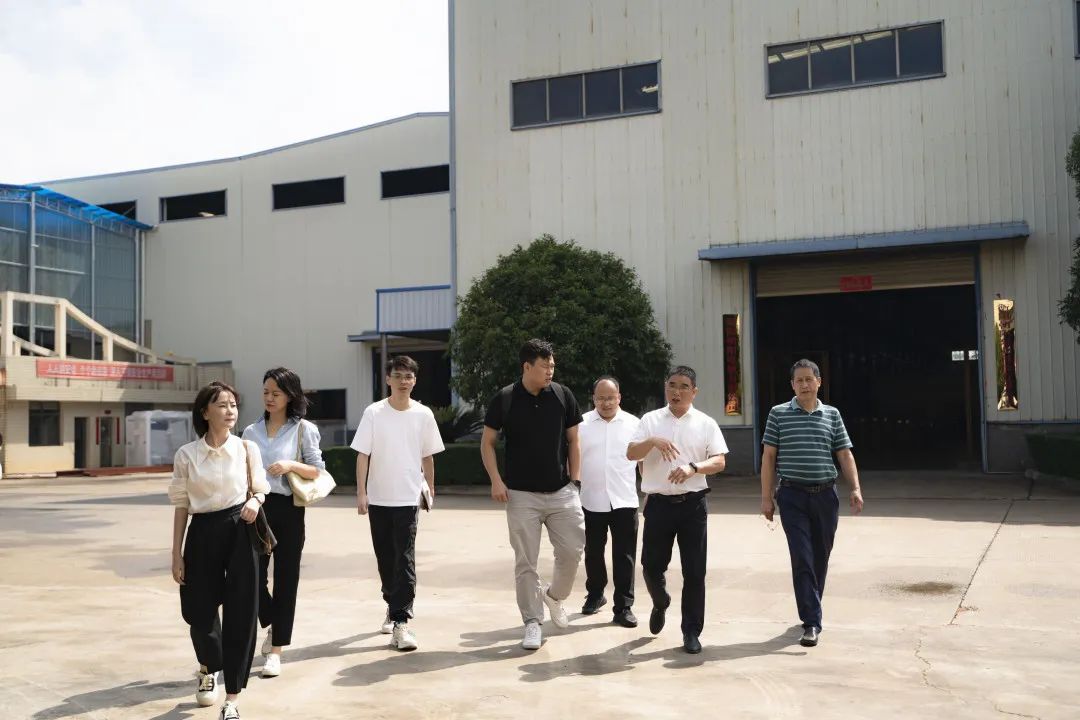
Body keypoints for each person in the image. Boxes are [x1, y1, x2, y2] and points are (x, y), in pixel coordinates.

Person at [169, 382, 268, 720]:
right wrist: (176, 553)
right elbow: (181, 505)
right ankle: (208, 667)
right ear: (205, 411)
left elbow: (260, 488)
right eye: (222, 405)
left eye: (233, 405)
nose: (230, 411)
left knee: (242, 610)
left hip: (240, 527)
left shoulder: (246, 449)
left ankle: (233, 696)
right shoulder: (187, 455)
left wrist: (256, 501)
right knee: (199, 608)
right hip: (202, 531)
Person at [481, 338, 585, 651]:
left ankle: (554, 597)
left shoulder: (563, 395)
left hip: (562, 492)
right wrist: (496, 481)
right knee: (526, 562)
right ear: (527, 367)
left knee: (572, 551)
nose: (550, 371)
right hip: (521, 495)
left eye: (552, 365)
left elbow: (574, 441)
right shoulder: (505, 398)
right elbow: (487, 443)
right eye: (544, 366)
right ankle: (532, 622)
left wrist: (575, 481)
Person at [760, 358, 863, 648]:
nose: (804, 384)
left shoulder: (832, 414)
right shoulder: (778, 414)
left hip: (826, 496)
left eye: (809, 379)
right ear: (792, 385)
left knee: (820, 556)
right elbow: (769, 457)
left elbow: (844, 454)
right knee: (802, 557)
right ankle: (811, 622)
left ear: (819, 382)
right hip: (792, 495)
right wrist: (766, 498)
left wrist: (855, 488)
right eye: (799, 380)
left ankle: (811, 603)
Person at [627, 365, 728, 654]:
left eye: (684, 386)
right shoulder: (650, 420)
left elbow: (719, 461)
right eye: (672, 385)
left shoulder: (706, 423)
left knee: (694, 572)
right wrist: (652, 441)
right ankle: (660, 602)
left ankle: (691, 631)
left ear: (694, 392)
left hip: (693, 506)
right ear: (665, 388)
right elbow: (631, 453)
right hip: (658, 505)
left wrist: (693, 468)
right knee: (650, 566)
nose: (677, 391)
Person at [352, 355, 445, 652]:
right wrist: (361, 492)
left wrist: (430, 488)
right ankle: (392, 604)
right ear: (388, 379)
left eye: (409, 376)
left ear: (414, 381)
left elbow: (428, 455)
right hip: (379, 498)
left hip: (408, 498)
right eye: (398, 376)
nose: (404, 381)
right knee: (385, 558)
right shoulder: (374, 413)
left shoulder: (423, 414)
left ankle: (401, 621)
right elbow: (363, 454)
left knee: (404, 558)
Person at [241, 367, 325, 677]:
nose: (269, 398)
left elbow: (317, 470)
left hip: (289, 509)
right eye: (265, 392)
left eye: (276, 393)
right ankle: (273, 621)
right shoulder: (250, 432)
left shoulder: (304, 429)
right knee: (252, 577)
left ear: (290, 396)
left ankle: (276, 650)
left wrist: (291, 464)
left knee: (287, 579)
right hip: (256, 508)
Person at [578, 376, 641, 628]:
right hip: (590, 498)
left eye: (611, 398)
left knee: (624, 555)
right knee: (593, 552)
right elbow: (572, 456)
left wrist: (649, 490)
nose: (606, 403)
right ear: (593, 399)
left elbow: (643, 461)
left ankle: (624, 607)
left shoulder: (634, 424)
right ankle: (595, 594)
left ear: (619, 398)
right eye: (601, 398)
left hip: (624, 499)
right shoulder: (581, 424)